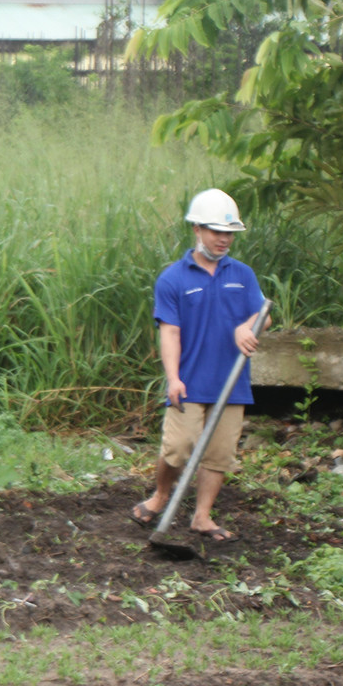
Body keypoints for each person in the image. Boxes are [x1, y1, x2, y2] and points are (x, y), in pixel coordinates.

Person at [130, 189, 268, 542]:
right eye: (216, 231)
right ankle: (161, 495)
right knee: (179, 447)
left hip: (232, 382)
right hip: (189, 381)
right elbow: (170, 333)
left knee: (219, 455)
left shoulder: (243, 274)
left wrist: (247, 326)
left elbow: (262, 317)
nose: (224, 239)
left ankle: (202, 518)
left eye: (229, 233)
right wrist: (173, 378)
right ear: (196, 229)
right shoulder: (173, 279)